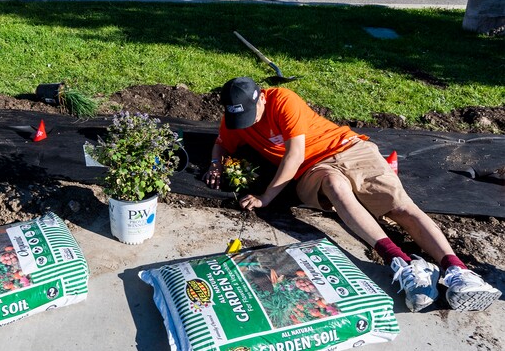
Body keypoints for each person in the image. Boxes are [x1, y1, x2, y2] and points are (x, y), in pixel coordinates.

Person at [204, 77, 501, 313]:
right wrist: (216, 164)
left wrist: (266, 197)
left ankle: (457, 271)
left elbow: (293, 155)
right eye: (239, 121)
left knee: (398, 205)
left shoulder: (283, 100)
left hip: (347, 148)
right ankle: (402, 264)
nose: (247, 126)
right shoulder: (236, 118)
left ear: (262, 97)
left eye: (251, 117)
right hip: (313, 170)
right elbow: (222, 144)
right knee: (335, 186)